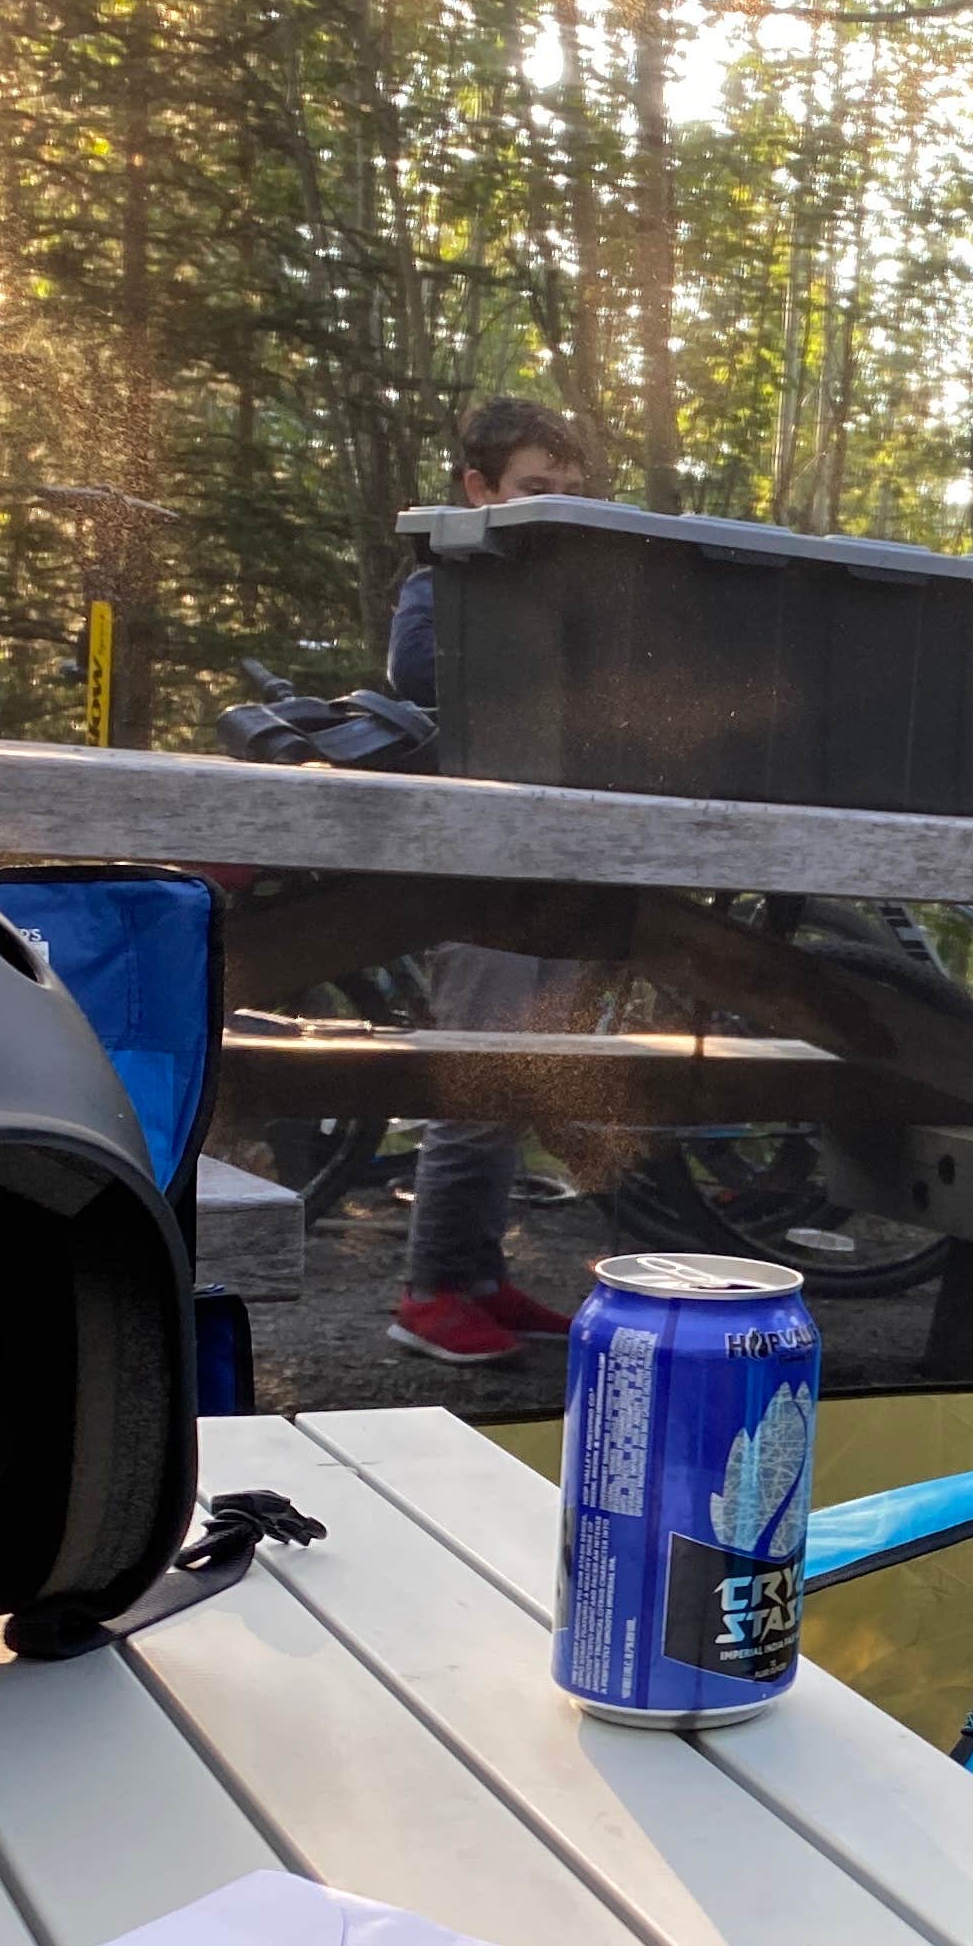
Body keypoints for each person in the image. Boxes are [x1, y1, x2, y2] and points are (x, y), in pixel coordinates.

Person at [386, 397, 592, 1365]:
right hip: (476, 861)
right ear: (480, 491)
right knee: (478, 1073)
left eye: (569, 494)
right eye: (533, 491)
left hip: (547, 859)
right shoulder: (450, 577)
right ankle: (428, 1292)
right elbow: (419, 671)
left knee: (515, 1079)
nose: (552, 510)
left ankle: (474, 1278)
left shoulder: (580, 588)